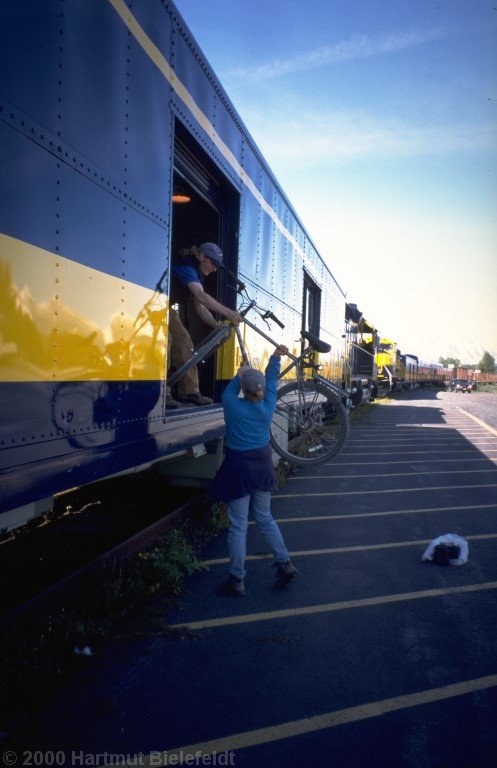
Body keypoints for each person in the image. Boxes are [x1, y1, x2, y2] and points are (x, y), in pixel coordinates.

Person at [209, 346, 298, 595]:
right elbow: (271, 380)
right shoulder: (268, 405)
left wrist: (240, 374)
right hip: (262, 467)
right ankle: (285, 564)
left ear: (243, 390)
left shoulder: (231, 404)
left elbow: (230, 387)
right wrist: (276, 357)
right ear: (259, 391)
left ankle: (237, 580)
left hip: (239, 470)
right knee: (265, 518)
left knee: (238, 526)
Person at [167, 243, 242, 408]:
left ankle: (189, 392)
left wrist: (217, 328)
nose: (214, 269)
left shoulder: (196, 275)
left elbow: (200, 308)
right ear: (201, 256)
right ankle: (162, 393)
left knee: (185, 343)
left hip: (165, 308)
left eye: (217, 265)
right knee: (167, 341)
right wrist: (229, 313)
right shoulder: (187, 267)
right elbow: (201, 297)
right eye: (213, 263)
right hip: (155, 304)